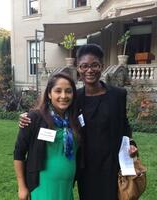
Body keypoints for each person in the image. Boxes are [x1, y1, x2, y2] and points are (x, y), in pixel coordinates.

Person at [19, 44, 137, 200]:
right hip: (84, 166)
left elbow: (124, 125)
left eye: (94, 65)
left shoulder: (118, 95)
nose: (90, 70)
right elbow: (51, 110)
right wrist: (27, 118)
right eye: (84, 66)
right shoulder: (75, 98)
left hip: (111, 165)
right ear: (79, 68)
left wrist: (132, 143)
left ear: (101, 66)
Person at [13, 72, 80, 200]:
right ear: (49, 94)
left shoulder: (74, 119)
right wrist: (22, 187)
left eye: (68, 91)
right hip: (42, 186)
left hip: (66, 188)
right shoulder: (34, 118)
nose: (63, 96)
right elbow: (19, 153)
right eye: (58, 91)